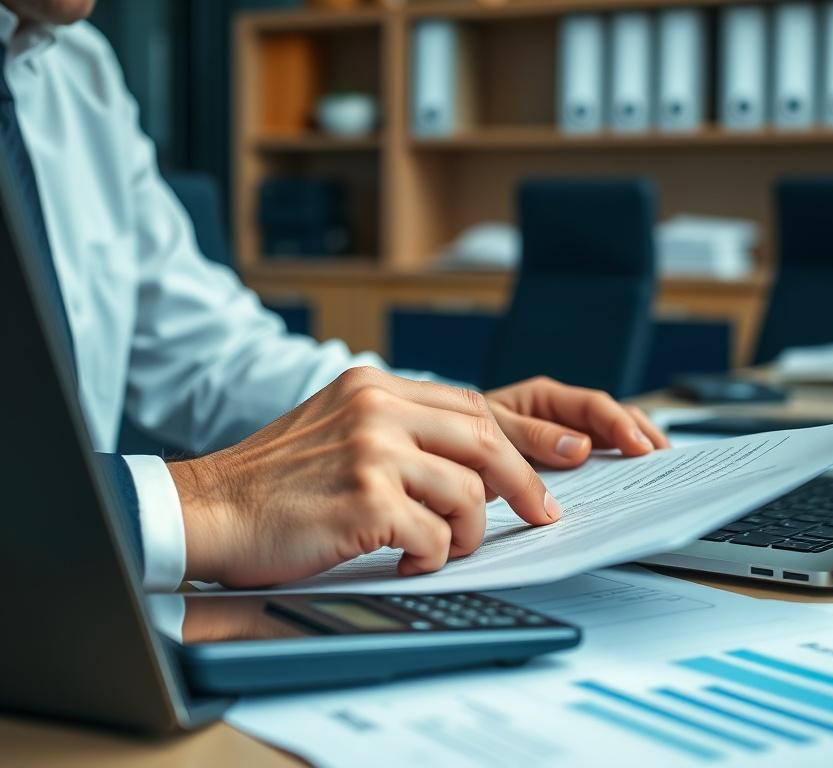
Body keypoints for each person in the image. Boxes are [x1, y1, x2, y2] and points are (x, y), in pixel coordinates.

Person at [2, 0, 669, 590]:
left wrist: (439, 423)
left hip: (77, 623)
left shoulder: (76, 73)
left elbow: (215, 357)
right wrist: (209, 502)